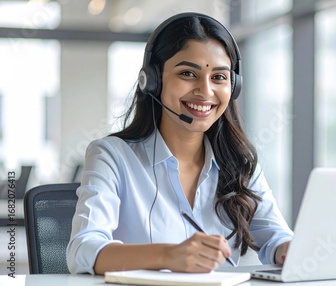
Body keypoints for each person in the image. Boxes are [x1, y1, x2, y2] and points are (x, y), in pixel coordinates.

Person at [66, 12, 293, 275]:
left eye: (218, 77)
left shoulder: (239, 163)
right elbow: (83, 250)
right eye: (188, 73)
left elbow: (276, 238)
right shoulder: (112, 155)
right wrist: (168, 255)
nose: (205, 91)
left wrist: (289, 249)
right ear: (152, 80)